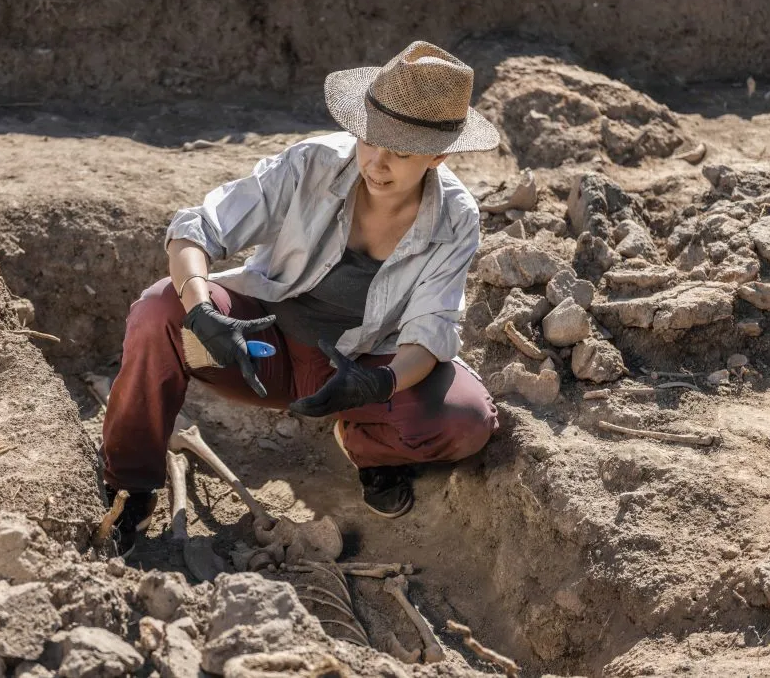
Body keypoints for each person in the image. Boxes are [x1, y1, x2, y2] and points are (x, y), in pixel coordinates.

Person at [100, 41, 500, 556]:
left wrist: (378, 381)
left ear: (439, 155)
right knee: (159, 310)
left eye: (400, 152)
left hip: (356, 369)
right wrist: (202, 311)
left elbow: (431, 330)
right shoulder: (313, 164)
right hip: (257, 352)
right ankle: (130, 485)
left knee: (465, 420)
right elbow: (196, 228)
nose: (377, 164)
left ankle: (367, 446)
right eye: (369, 140)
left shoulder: (455, 218)